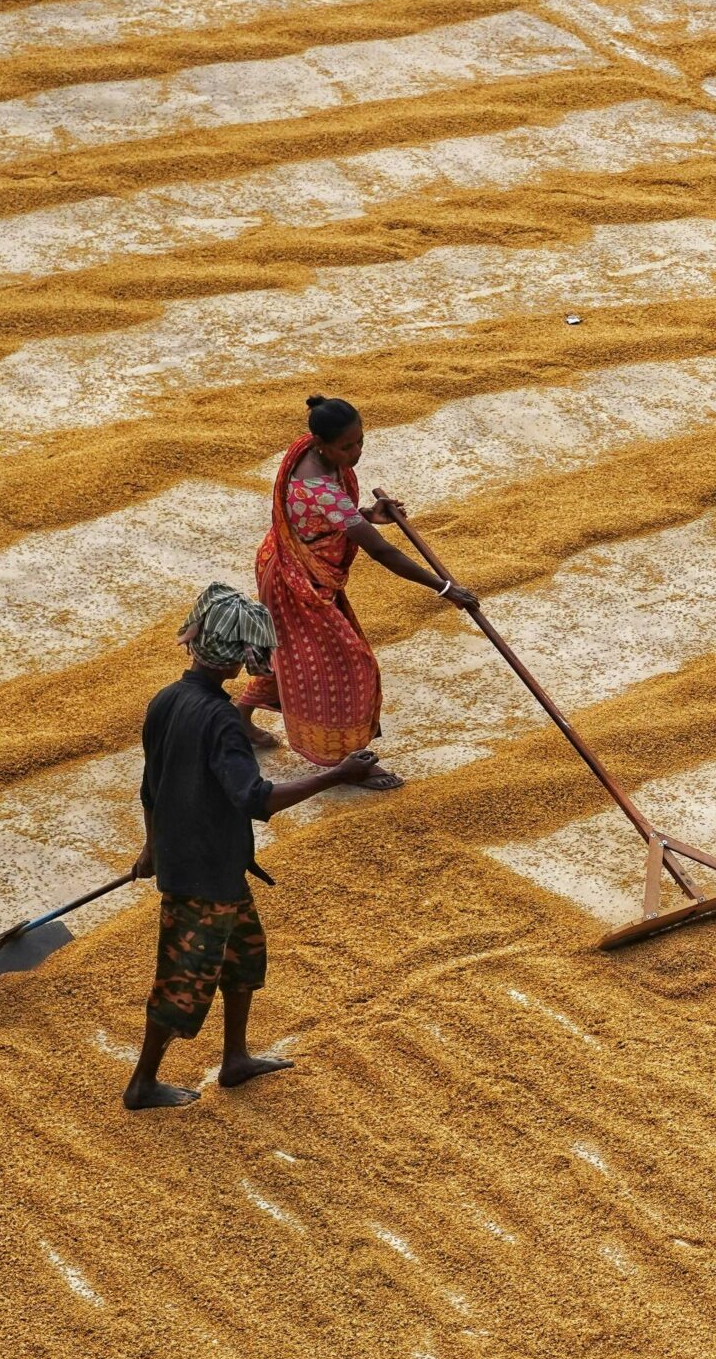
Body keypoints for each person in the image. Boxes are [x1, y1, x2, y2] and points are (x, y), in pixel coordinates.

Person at [126, 584, 379, 1111]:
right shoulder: (220, 720)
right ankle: (142, 1084)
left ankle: (234, 1059)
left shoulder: (166, 700)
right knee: (183, 977)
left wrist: (152, 849)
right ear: (240, 657)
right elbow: (255, 799)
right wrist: (338, 774)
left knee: (242, 958)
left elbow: (151, 787)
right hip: (201, 875)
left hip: (212, 864)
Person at [235, 394, 479, 788]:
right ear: (319, 442)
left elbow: (324, 523)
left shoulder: (311, 454)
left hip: (295, 565)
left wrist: (366, 515)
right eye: (347, 446)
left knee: (293, 653)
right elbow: (380, 552)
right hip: (296, 582)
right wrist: (444, 587)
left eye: (360, 441)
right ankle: (348, 763)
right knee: (349, 667)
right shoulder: (318, 487)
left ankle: (240, 719)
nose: (357, 452)